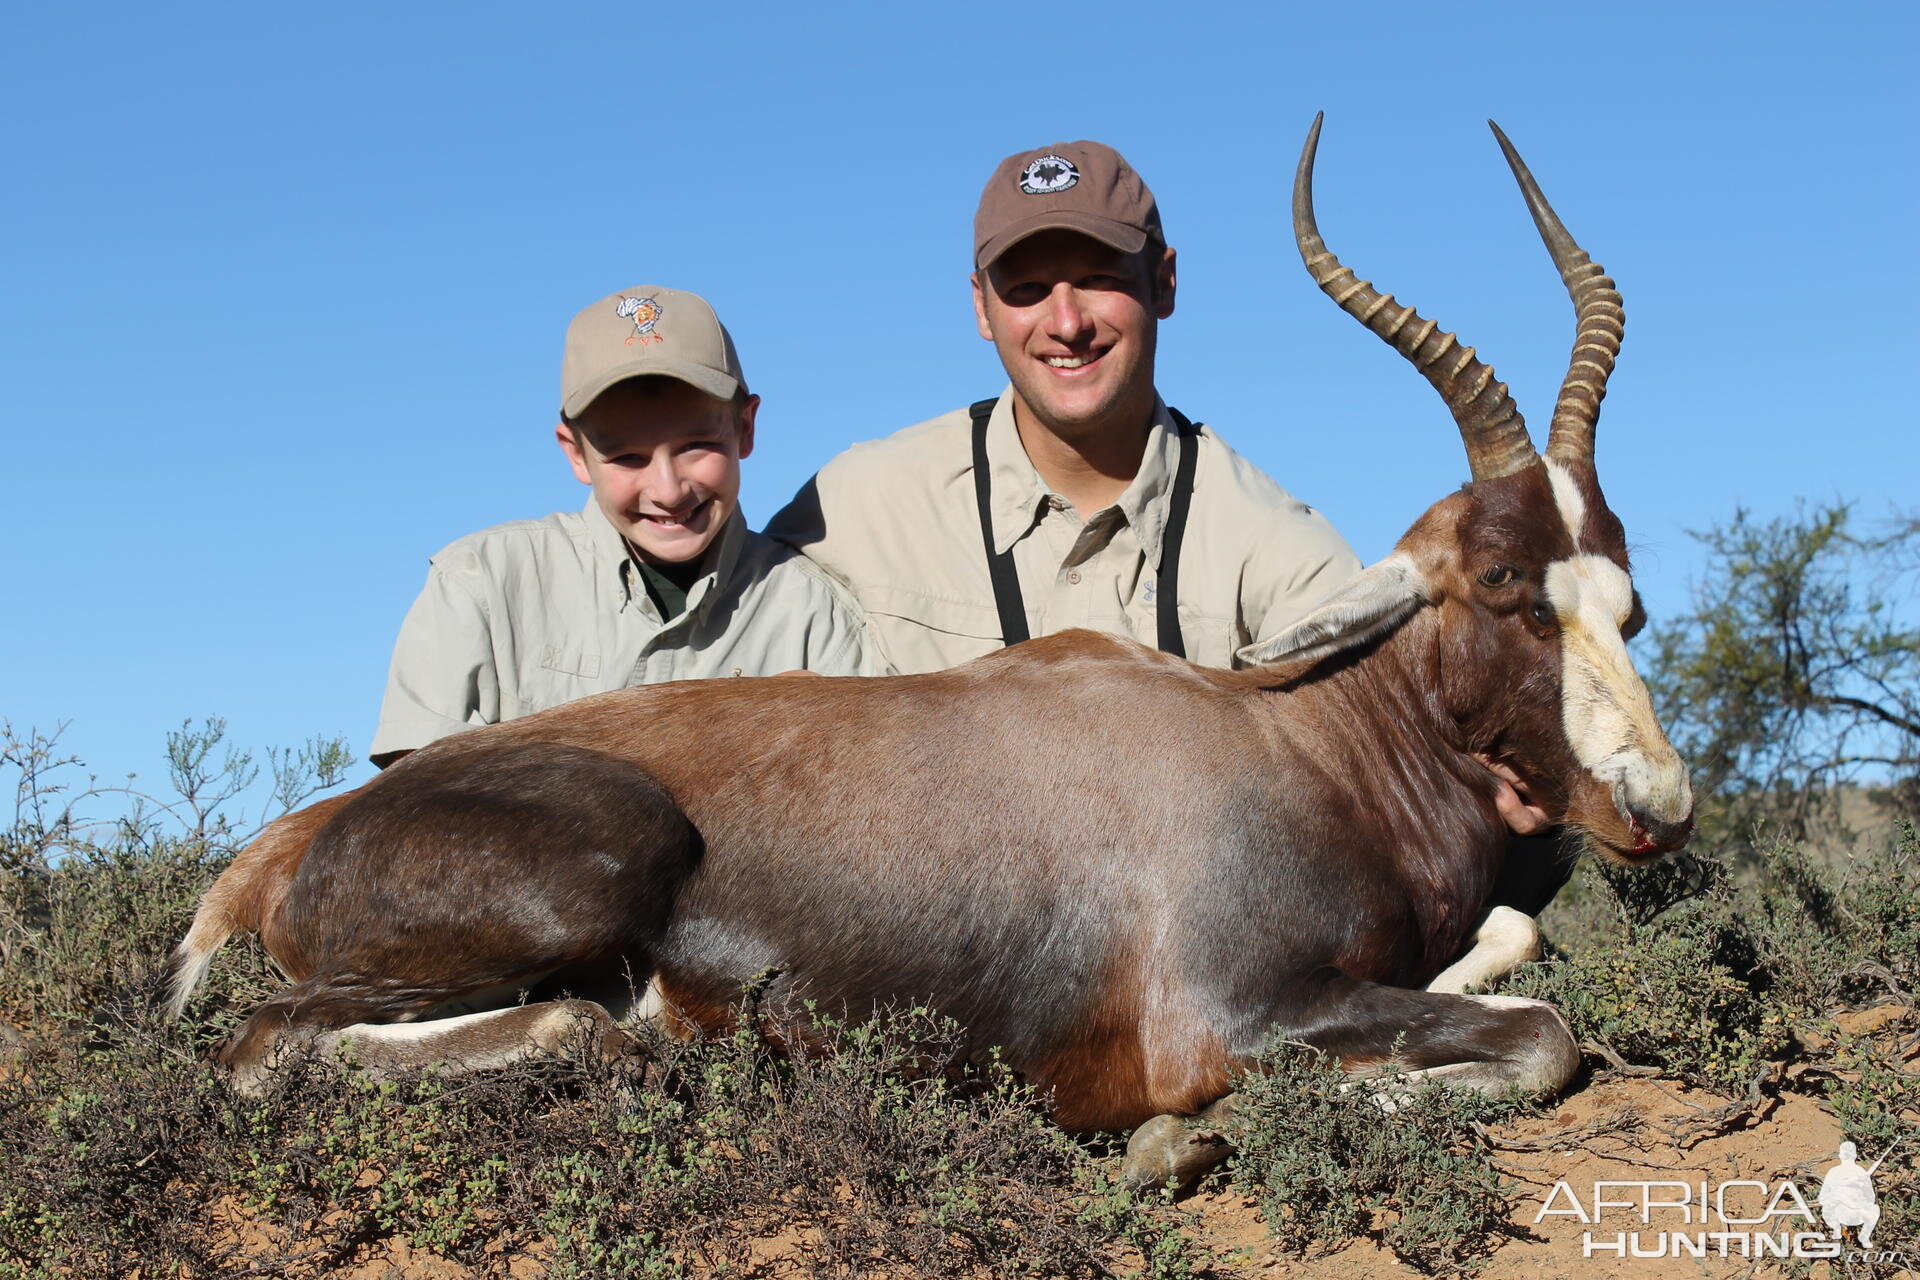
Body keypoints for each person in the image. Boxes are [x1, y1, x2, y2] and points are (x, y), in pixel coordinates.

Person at [765, 140, 1362, 673]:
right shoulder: (857, 502)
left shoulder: (1282, 552)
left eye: (1099, 278)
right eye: (1026, 290)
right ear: (981, 307)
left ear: (1164, 283)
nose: (1067, 323)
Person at [369, 285, 871, 767]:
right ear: (576, 453)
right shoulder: (481, 581)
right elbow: (416, 796)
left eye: (697, 445)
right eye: (627, 457)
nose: (668, 489)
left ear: (745, 427)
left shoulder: (815, 613)